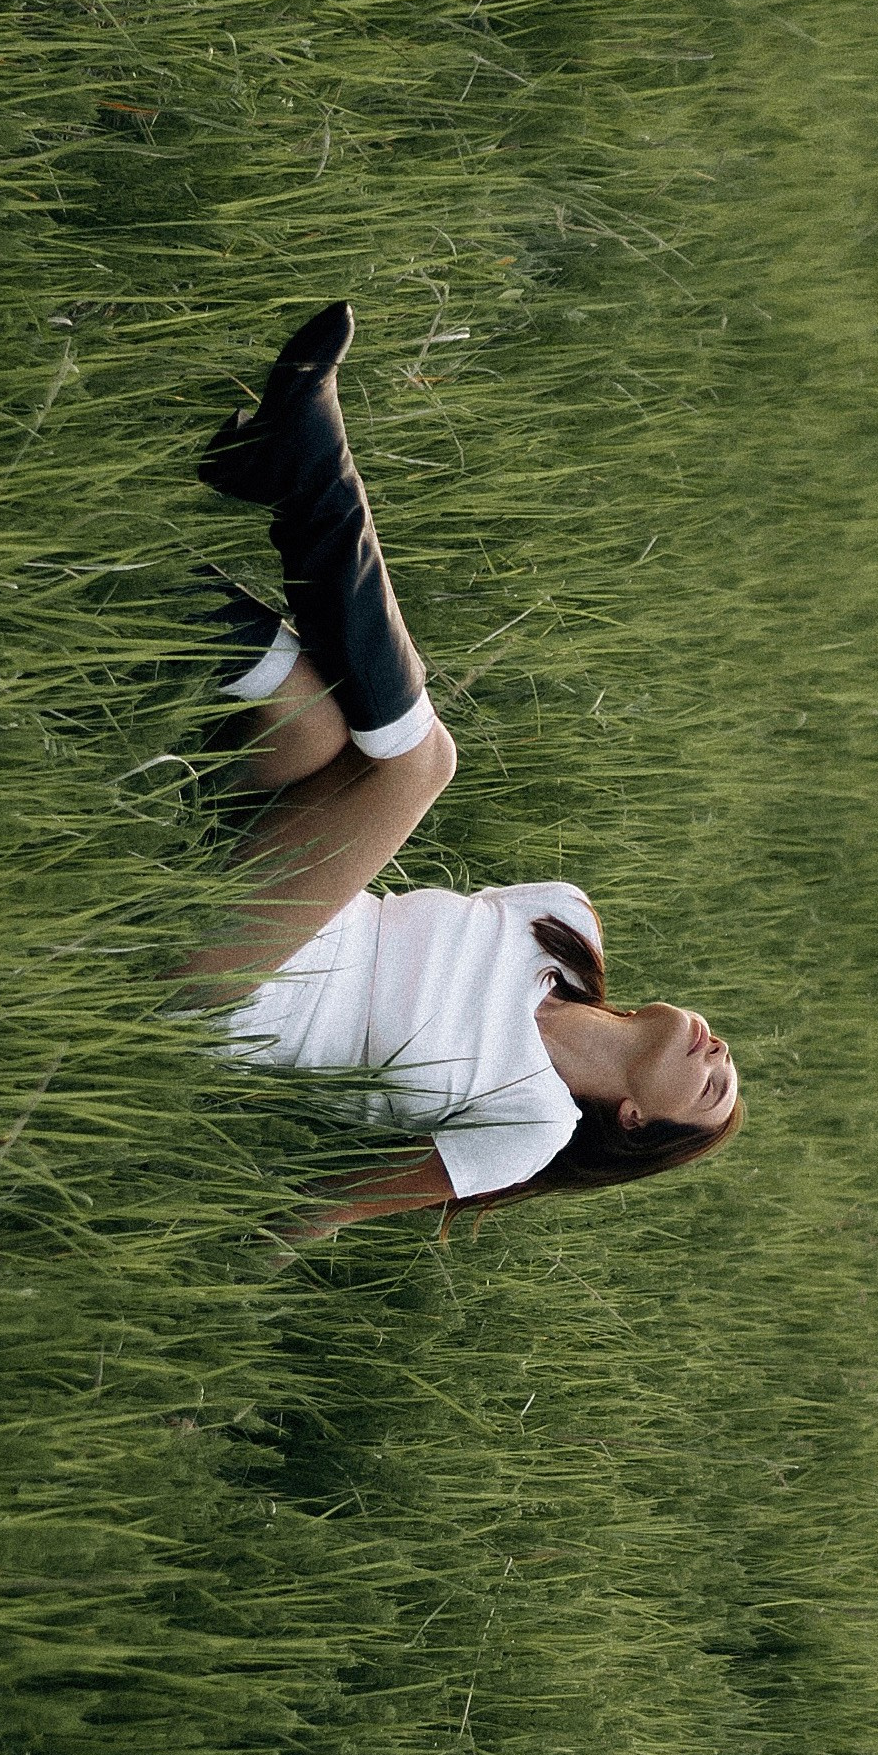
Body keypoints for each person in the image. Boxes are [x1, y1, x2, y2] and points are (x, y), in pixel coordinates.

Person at [179, 301, 742, 1246]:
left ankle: (299, 461)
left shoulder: (531, 1128)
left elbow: (324, 1208)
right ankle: (102, 562)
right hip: (267, 874)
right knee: (313, 726)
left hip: (227, 991)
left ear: (638, 1123)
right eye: (729, 1055)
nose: (718, 1052)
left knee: (421, 762)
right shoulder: (558, 924)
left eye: (712, 1085)